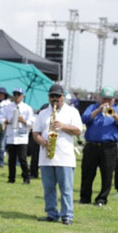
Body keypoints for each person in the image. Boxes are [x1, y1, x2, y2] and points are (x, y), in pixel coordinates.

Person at [33, 84, 83, 225]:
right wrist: (42, 142)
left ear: (63, 97)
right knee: (48, 188)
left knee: (66, 189)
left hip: (65, 157)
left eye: (58, 96)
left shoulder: (72, 112)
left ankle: (67, 215)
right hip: (46, 157)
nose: (55, 99)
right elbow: (35, 133)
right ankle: (51, 213)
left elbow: (79, 131)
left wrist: (63, 126)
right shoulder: (43, 113)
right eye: (52, 96)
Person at [80, 86, 118, 206]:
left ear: (114, 100)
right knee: (87, 172)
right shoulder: (92, 107)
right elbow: (84, 119)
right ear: (100, 98)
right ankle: (85, 197)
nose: (107, 102)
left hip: (109, 147)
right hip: (92, 145)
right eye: (104, 99)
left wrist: (115, 116)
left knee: (107, 174)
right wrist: (97, 111)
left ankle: (102, 198)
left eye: (109, 99)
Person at [2, 88, 34, 184]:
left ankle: (26, 177)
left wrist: (24, 121)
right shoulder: (7, 107)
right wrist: (5, 121)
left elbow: (31, 122)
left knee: (22, 158)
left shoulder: (27, 108)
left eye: (18, 94)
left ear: (22, 96)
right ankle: (11, 178)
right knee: (11, 159)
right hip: (11, 135)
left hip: (22, 136)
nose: (16, 96)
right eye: (15, 94)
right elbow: (1, 117)